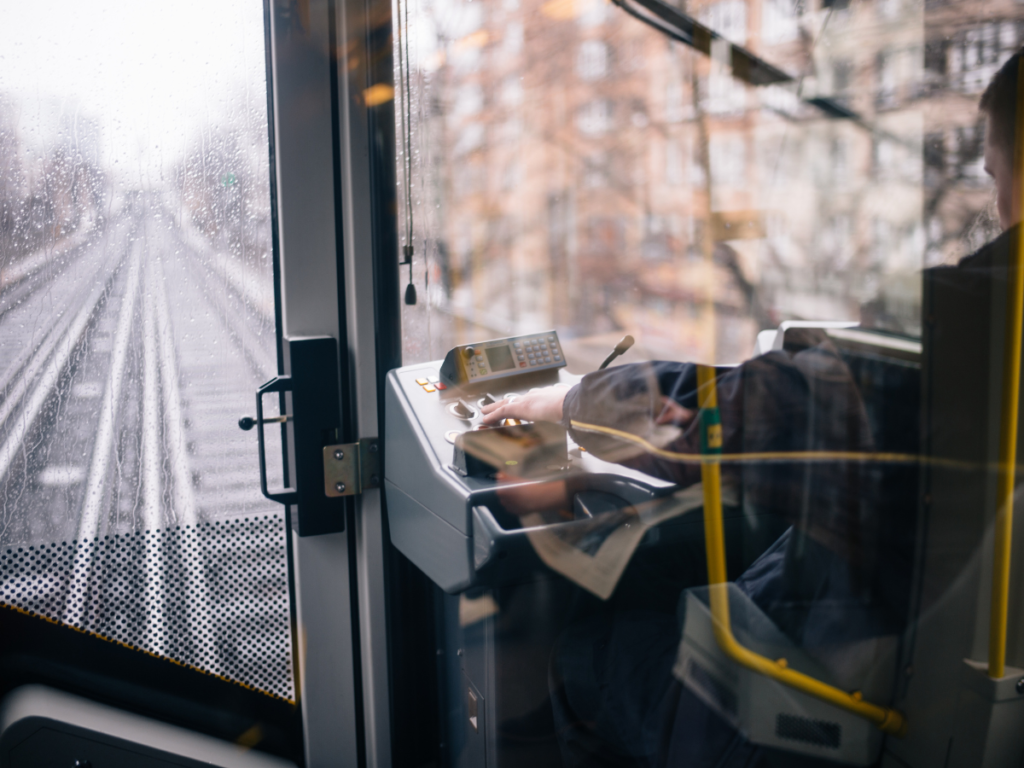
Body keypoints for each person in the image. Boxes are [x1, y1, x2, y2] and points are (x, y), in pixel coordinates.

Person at [479, 48, 1023, 768]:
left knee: (584, 649)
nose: (996, 205)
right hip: (953, 677)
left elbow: (738, 415)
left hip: (837, 687)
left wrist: (570, 405)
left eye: (996, 174)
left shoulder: (975, 326)